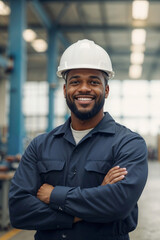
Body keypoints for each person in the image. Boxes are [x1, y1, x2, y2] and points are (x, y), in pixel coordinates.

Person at [9, 39, 148, 240]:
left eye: (93, 81)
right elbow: (19, 210)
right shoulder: (40, 146)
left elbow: (118, 204)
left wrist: (54, 195)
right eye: (75, 81)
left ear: (106, 90)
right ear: (65, 90)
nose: (84, 88)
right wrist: (90, 203)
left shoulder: (128, 144)